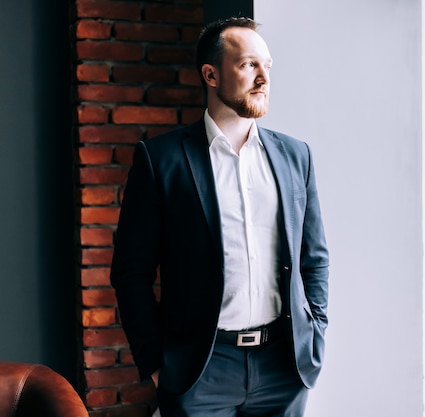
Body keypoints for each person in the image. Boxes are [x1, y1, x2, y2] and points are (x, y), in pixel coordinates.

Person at [110, 17, 329, 417]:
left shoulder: (297, 157)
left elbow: (313, 258)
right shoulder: (162, 160)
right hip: (201, 370)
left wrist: (315, 335)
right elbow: (131, 272)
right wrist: (157, 365)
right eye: (248, 65)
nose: (263, 77)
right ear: (210, 74)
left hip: (283, 367)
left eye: (267, 66)